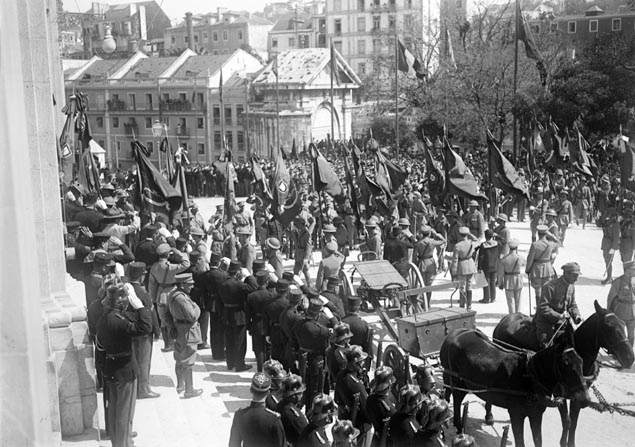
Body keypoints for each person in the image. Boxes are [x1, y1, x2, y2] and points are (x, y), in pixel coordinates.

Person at [96, 283, 152, 447]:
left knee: (115, 410)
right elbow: (145, 328)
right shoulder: (119, 321)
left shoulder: (104, 319)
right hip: (125, 370)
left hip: (111, 368)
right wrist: (140, 307)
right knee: (124, 413)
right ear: (121, 302)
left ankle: (119, 441)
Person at [165, 273, 203, 398]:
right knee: (188, 361)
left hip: (179, 329)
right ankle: (189, 390)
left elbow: (167, 314)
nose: (192, 287)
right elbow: (192, 315)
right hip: (187, 331)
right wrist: (197, 307)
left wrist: (172, 326)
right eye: (189, 284)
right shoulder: (181, 298)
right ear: (182, 284)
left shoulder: (172, 294)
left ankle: (180, 385)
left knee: (180, 358)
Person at [147, 243, 190, 352]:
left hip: (160, 293)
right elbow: (186, 263)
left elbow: (152, 285)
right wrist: (178, 252)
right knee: (174, 317)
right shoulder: (170, 267)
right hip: (172, 292)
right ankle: (175, 340)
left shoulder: (154, 267)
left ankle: (167, 343)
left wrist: (152, 298)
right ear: (168, 254)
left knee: (163, 320)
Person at [126, 262, 160, 399]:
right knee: (144, 361)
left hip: (132, 330)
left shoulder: (126, 289)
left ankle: (137, 387)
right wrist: (157, 330)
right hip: (144, 333)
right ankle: (143, 389)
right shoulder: (142, 292)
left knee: (135, 359)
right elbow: (151, 313)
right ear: (141, 276)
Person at [229, 372, 287, 447]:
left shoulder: (239, 415)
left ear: (251, 390)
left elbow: (233, 444)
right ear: (268, 392)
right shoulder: (273, 419)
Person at [295, 298, 334, 408]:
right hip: (316, 359)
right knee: (316, 388)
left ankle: (303, 403)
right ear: (317, 314)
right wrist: (331, 316)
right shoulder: (320, 329)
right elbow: (337, 326)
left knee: (304, 382)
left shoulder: (298, 322)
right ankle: (311, 410)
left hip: (303, 356)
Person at [219, 261, 256, 372]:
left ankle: (230, 363)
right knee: (240, 341)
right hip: (239, 315)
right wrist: (248, 276)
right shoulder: (239, 284)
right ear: (237, 272)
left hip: (226, 313)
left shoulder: (222, 283)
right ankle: (239, 364)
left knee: (229, 340)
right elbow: (254, 288)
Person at [535, 262, 582, 347]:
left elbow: (572, 305)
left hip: (561, 323)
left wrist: (577, 315)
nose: (576, 279)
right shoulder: (550, 286)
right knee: (547, 347)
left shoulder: (571, 287)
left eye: (577, 276)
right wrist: (559, 316)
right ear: (566, 274)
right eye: (574, 276)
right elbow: (543, 307)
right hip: (546, 323)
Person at [334, 345, 370, 444]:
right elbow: (366, 405)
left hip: (344, 418)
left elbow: (337, 399)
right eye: (361, 361)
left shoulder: (341, 374)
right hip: (357, 422)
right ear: (355, 362)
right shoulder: (355, 384)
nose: (363, 363)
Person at [198, 252, 228, 360]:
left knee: (213, 329)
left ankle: (215, 352)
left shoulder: (204, 275)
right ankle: (221, 351)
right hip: (220, 303)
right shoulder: (223, 275)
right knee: (221, 328)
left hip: (209, 303)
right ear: (219, 262)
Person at [246, 271, 276, 371]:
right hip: (268, 324)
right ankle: (268, 371)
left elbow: (247, 314)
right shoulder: (271, 295)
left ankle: (260, 371)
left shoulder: (251, 296)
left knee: (258, 350)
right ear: (267, 281)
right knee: (268, 349)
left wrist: (249, 326)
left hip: (256, 323)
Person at [413, 225, 446, 306]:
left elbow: (414, 257)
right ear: (429, 233)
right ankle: (427, 303)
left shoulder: (418, 243)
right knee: (429, 284)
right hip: (430, 262)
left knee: (422, 284)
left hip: (422, 262)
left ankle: (422, 302)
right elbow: (443, 241)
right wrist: (436, 234)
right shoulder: (432, 241)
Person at [525, 225, 557, 306]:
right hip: (548, 269)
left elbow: (530, 259)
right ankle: (546, 308)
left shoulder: (535, 245)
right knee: (547, 290)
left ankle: (539, 309)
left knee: (538, 291)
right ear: (546, 234)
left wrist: (528, 269)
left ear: (538, 233)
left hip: (537, 269)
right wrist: (552, 236)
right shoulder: (550, 244)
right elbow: (556, 243)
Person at [366, 366, 397, 446]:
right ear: (390, 382)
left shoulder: (370, 399)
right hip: (387, 441)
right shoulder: (388, 409)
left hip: (376, 437)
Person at [607, 260, 635, 347]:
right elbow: (610, 297)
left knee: (631, 335)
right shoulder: (618, 281)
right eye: (633, 269)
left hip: (632, 313)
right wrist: (609, 312)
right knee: (621, 335)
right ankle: (619, 352)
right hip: (620, 312)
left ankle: (629, 352)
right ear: (627, 270)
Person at [263, 279, 291, 365]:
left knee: (275, 353)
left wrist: (267, 333)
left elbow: (266, 319)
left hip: (274, 330)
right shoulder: (289, 303)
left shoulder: (268, 302)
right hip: (286, 330)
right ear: (287, 290)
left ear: (276, 289)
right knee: (286, 353)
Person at [277, 374, 309, 446]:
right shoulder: (295, 415)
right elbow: (308, 436)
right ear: (294, 395)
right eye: (300, 393)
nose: (302, 395)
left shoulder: (280, 405)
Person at [450, 226, 477, 310]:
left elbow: (455, 260)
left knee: (462, 287)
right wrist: (470, 234)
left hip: (462, 266)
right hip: (471, 265)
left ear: (459, 234)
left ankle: (462, 305)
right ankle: (469, 305)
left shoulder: (457, 246)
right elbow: (477, 239)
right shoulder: (472, 243)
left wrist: (453, 272)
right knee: (469, 286)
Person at [497, 239, 524, 314]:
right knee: (518, 301)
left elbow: (500, 274)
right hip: (518, 280)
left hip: (508, 280)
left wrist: (500, 283)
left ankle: (512, 316)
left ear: (509, 247)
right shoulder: (520, 258)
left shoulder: (504, 259)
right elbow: (524, 266)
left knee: (510, 302)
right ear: (516, 248)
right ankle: (518, 316)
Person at [326, 322, 353, 389]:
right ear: (344, 339)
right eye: (348, 337)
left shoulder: (335, 348)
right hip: (342, 383)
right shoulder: (339, 353)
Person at [478, 229, 499, 304]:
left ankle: (486, 298)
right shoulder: (496, 243)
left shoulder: (483, 245)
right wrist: (497, 236)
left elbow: (481, 257)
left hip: (486, 266)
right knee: (493, 282)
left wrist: (479, 267)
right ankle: (493, 298)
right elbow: (503, 241)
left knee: (486, 282)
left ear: (485, 236)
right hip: (495, 265)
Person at [600, 208, 620, 284]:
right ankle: (609, 277)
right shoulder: (607, 222)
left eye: (609, 214)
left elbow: (616, 237)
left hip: (610, 245)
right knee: (606, 260)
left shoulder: (615, 224)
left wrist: (614, 248)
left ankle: (609, 278)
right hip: (605, 244)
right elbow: (600, 224)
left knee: (609, 262)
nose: (608, 216)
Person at [293, 217, 313, 286]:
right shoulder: (298, 231)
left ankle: (309, 285)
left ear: (301, 224)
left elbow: (308, 247)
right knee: (296, 270)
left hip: (303, 255)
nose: (296, 226)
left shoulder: (307, 233)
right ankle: (295, 284)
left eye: (297, 224)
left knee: (305, 271)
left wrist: (306, 258)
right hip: (298, 254)